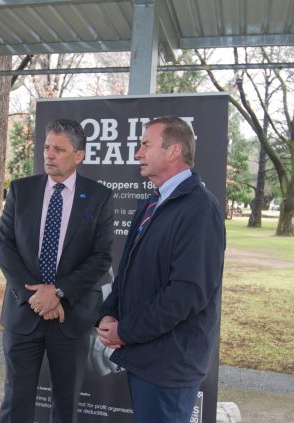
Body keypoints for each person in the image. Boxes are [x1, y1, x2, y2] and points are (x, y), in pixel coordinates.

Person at [97, 116, 226, 423]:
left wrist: (124, 331)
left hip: (170, 365)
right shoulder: (151, 204)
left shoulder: (200, 209)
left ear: (173, 152)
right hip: (146, 356)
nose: (138, 153)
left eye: (145, 145)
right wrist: (108, 313)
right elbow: (126, 272)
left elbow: (186, 294)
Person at [0, 118, 114, 423]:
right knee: (15, 400)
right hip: (24, 313)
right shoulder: (21, 191)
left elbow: (101, 258)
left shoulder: (99, 197)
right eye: (47, 147)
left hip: (70, 316)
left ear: (78, 155)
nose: (49, 155)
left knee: (65, 404)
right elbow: (3, 246)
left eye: (59, 149)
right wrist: (33, 295)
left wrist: (57, 293)